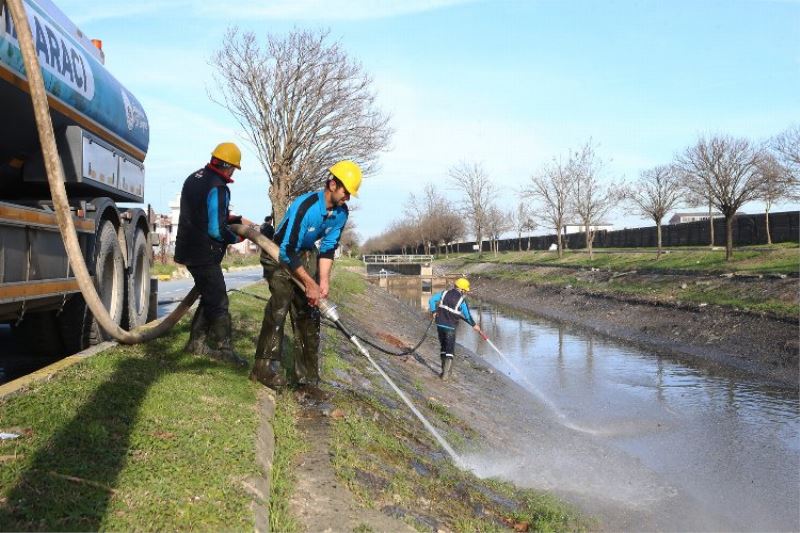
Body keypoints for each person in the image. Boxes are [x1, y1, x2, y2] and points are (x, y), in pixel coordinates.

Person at [251, 160, 362, 391]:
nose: (347, 198)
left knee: (309, 313)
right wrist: (308, 282)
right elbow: (287, 250)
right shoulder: (306, 206)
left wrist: (322, 282)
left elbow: (329, 247)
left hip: (304, 254)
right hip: (279, 254)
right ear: (332, 184)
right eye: (346, 192)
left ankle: (308, 380)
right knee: (281, 302)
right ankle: (263, 368)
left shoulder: (341, 213)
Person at [174, 142, 247, 367]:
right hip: (204, 253)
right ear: (228, 167)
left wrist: (232, 220)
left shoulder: (194, 178)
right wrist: (237, 238)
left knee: (209, 296)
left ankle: (196, 344)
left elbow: (201, 212)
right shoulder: (218, 186)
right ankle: (225, 349)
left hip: (187, 249)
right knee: (219, 301)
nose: (233, 172)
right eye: (233, 168)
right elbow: (215, 229)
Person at [428, 277, 484, 380]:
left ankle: (443, 372)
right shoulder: (462, 300)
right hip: (450, 327)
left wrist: (434, 312)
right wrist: (474, 325)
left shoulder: (444, 293)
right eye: (465, 290)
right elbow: (467, 316)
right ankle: (445, 375)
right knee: (450, 349)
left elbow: (431, 300)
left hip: (440, 324)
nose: (465, 292)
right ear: (462, 289)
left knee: (443, 347)